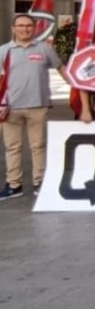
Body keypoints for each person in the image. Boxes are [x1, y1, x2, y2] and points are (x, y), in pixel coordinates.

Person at [0, 14, 67, 200]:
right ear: (13, 28)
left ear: (34, 28)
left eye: (29, 25)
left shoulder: (45, 49)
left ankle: (40, 182)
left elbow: (61, 69)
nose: (25, 29)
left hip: (38, 105)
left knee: (37, 146)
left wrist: (77, 86)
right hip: (10, 108)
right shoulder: (4, 51)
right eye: (20, 25)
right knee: (12, 147)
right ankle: (14, 184)